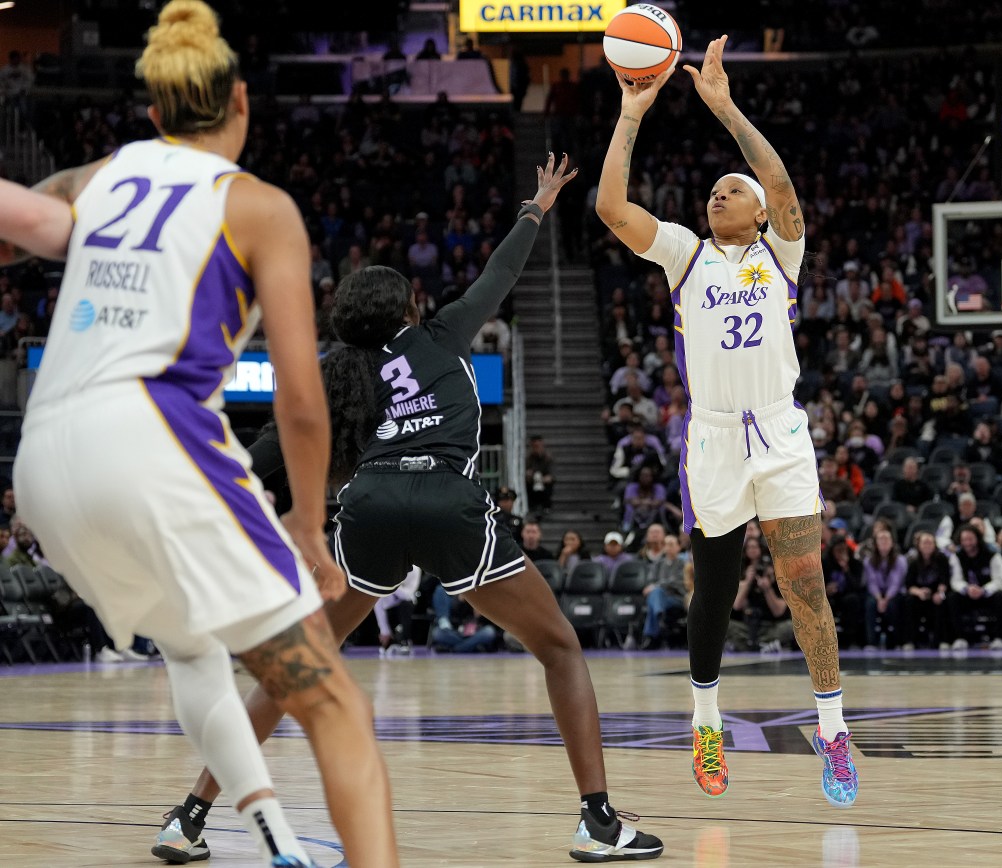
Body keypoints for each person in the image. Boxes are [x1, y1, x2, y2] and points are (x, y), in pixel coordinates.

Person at [150, 152, 663, 863]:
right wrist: (535, 207)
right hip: (448, 499)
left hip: (369, 507)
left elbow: (266, 452)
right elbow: (501, 275)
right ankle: (600, 823)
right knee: (559, 649)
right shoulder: (445, 333)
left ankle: (188, 819)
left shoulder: (336, 374)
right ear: (408, 308)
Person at [0, 4, 398, 866]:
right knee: (335, 708)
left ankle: (256, 829)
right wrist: (303, 520)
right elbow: (300, 397)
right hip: (150, 446)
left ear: (154, 116)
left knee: (190, 644)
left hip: (43, 466)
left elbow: (20, 227)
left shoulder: (103, 174)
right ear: (242, 103)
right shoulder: (258, 207)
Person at [595, 35, 858, 806]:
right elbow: (612, 208)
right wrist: (630, 112)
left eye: (730, 189)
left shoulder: (782, 251)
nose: (720, 194)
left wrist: (726, 109)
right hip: (711, 439)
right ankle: (705, 723)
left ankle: (834, 734)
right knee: (712, 590)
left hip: (778, 433)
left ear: (758, 209)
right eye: (713, 189)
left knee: (804, 581)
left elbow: (779, 182)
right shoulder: (684, 254)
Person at [948, 525, 1002, 650]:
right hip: (968, 594)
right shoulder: (957, 557)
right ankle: (960, 638)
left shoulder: (992, 555)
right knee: (952, 598)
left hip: (988, 594)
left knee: (1001, 596)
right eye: (964, 540)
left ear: (977, 539)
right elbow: (955, 580)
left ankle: (999, 638)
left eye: (970, 539)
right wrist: (967, 589)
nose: (967, 543)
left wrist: (985, 590)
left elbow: (1001, 580)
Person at [902, 531, 951, 650]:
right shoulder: (913, 561)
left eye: (930, 542)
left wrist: (939, 593)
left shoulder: (941, 559)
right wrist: (919, 592)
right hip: (919, 595)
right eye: (925, 542)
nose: (927, 545)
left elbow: (945, 580)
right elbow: (909, 585)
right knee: (909, 601)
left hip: (936, 594)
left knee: (943, 602)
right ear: (919, 545)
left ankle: (941, 640)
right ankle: (910, 640)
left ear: (935, 544)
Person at [861, 524, 905, 650]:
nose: (884, 542)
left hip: (893, 593)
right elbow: (872, 582)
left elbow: (895, 582)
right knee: (870, 603)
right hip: (876, 593)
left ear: (892, 542)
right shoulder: (868, 561)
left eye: (887, 539)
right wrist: (879, 598)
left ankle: (895, 641)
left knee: (894, 604)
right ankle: (871, 642)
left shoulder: (900, 560)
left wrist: (886, 598)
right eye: (881, 539)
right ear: (876, 543)